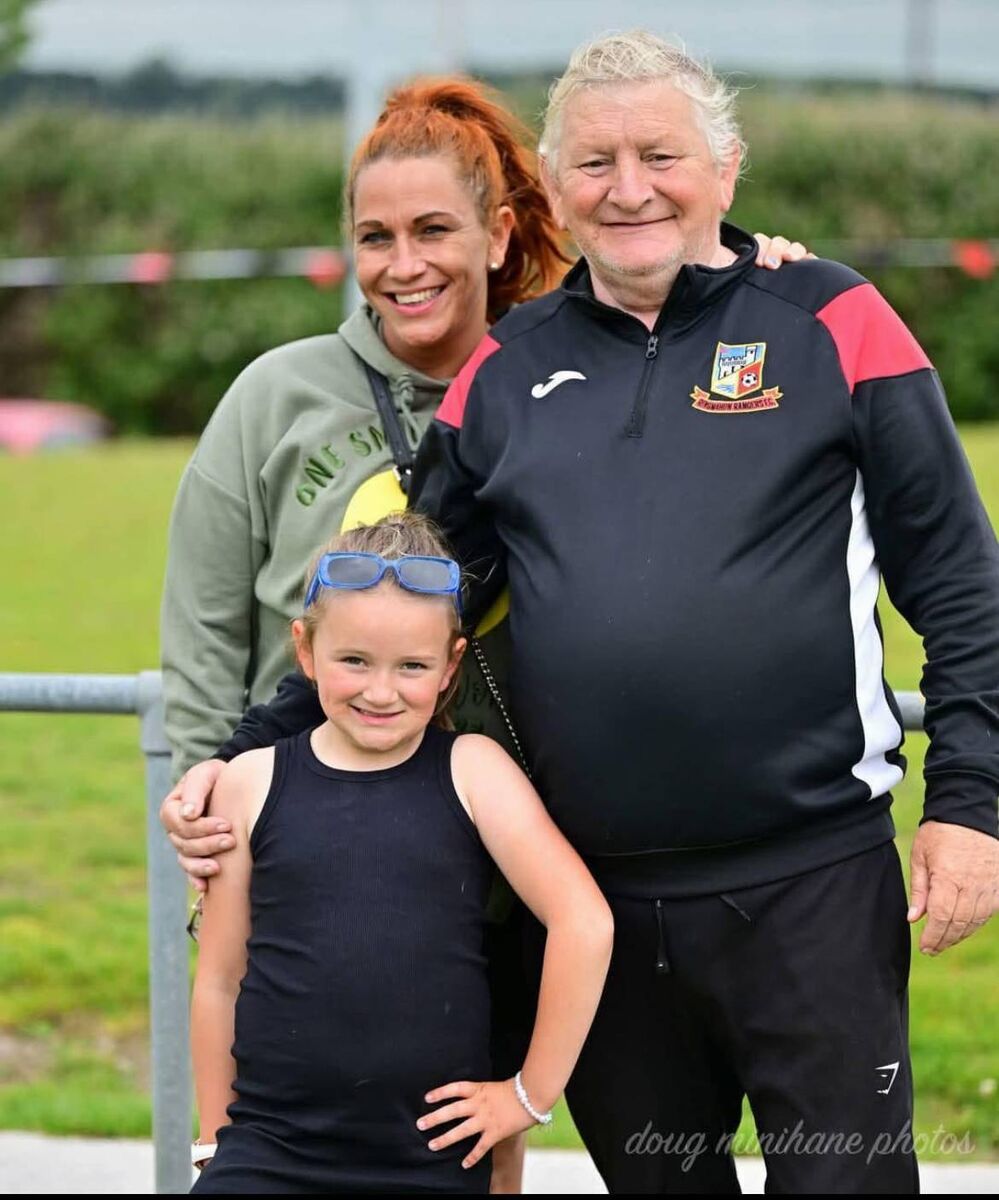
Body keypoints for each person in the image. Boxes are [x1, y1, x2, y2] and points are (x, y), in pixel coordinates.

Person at [160, 72, 806, 1194]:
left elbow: (693, 354)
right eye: (373, 236)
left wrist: (753, 279)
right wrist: (209, 804)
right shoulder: (273, 399)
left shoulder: (573, 366)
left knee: (467, 1144)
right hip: (310, 851)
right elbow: (207, 646)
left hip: (516, 851)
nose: (402, 264)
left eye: (432, 232)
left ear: (500, 232)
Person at [402, 32, 999, 1194]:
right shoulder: (506, 366)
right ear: (558, 192)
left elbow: (962, 583)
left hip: (812, 888)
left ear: (725, 171)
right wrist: (257, 754)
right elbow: (414, 593)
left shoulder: (836, 321)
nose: (629, 187)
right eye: (594, 162)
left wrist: (973, 801)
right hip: (596, 908)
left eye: (661, 154)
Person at [189, 512, 614, 1193]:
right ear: (304, 650)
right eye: (353, 661)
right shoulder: (251, 782)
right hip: (267, 1152)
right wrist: (212, 1140)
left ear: (449, 665)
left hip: (429, 1158)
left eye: (411, 666)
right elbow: (218, 979)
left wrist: (528, 1096)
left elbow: (584, 924)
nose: (380, 691)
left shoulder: (474, 772)